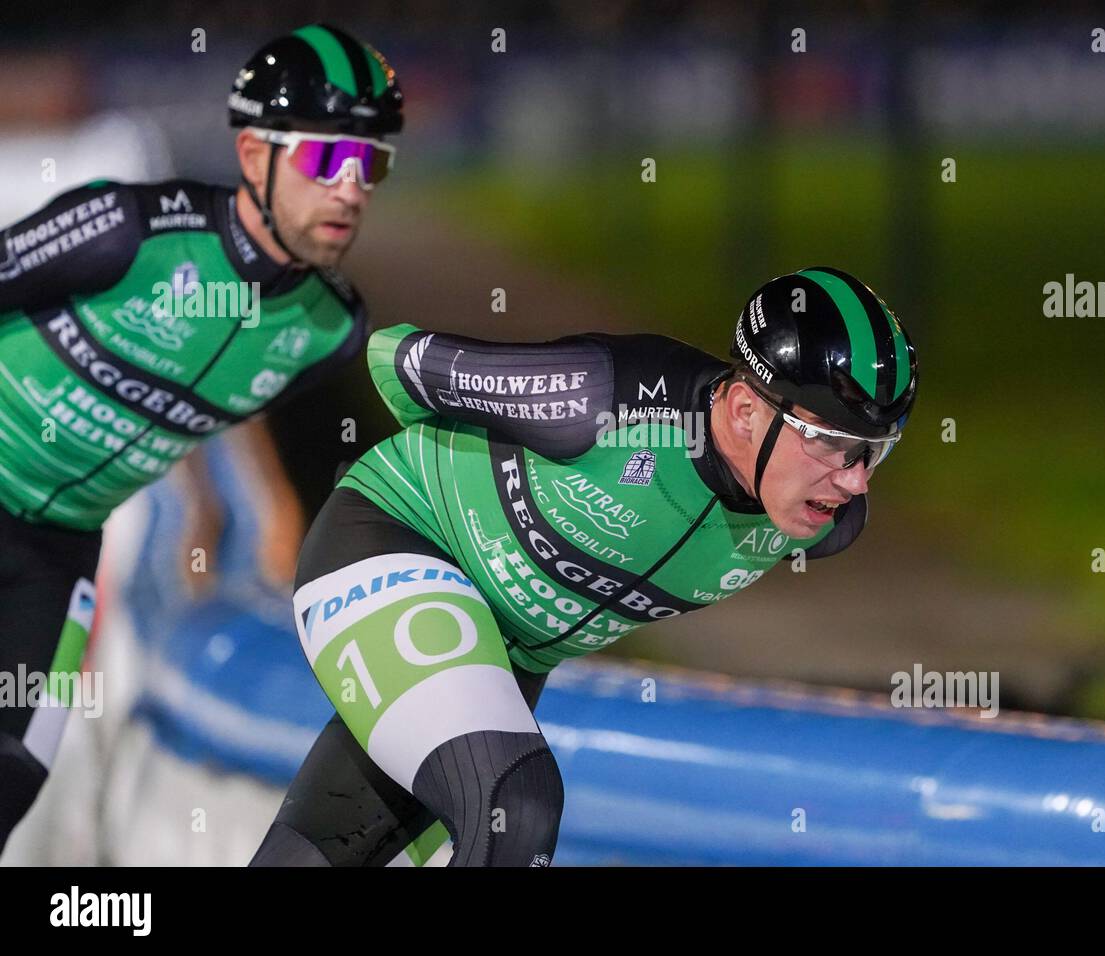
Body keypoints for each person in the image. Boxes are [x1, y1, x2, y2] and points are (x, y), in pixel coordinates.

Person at [250, 266, 919, 867]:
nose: (855, 482)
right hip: (397, 538)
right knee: (516, 803)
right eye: (834, 441)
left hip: (507, 653)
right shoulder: (602, 399)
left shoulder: (821, 520)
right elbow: (393, 360)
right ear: (745, 411)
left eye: (876, 450)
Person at [0, 22, 404, 854]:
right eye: (328, 159)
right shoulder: (129, 229)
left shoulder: (330, 326)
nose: (352, 187)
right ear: (255, 156)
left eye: (373, 162)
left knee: (16, 770)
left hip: (59, 546)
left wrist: (261, 507)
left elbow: (219, 397)